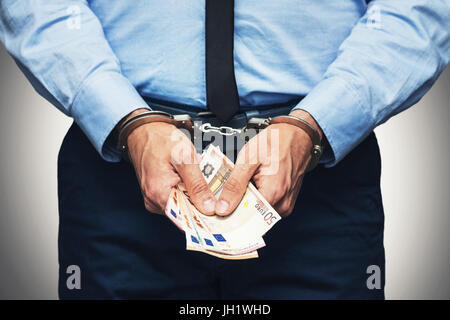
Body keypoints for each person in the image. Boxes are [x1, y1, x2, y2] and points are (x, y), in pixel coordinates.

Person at [0, 0, 449, 299]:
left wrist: (315, 125)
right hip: (120, 179)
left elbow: (415, 8)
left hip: (320, 183)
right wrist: (127, 122)